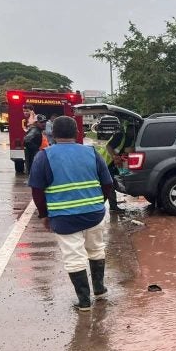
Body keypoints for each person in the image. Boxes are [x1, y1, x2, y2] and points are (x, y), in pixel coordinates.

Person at [28, 116, 114, 311]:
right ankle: (100, 291)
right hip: (94, 213)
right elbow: (107, 183)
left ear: (52, 133)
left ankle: (84, 302)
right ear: (77, 132)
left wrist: (44, 215)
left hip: (64, 217)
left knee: (73, 256)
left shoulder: (44, 156)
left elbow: (37, 191)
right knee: (96, 249)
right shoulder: (92, 152)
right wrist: (99, 203)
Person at [96, 120, 136, 211]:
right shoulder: (120, 136)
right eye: (132, 130)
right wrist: (115, 157)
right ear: (128, 130)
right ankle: (111, 207)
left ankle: (108, 206)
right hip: (106, 163)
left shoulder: (131, 139)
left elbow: (127, 151)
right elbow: (108, 146)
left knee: (112, 184)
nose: (133, 132)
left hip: (114, 164)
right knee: (110, 184)